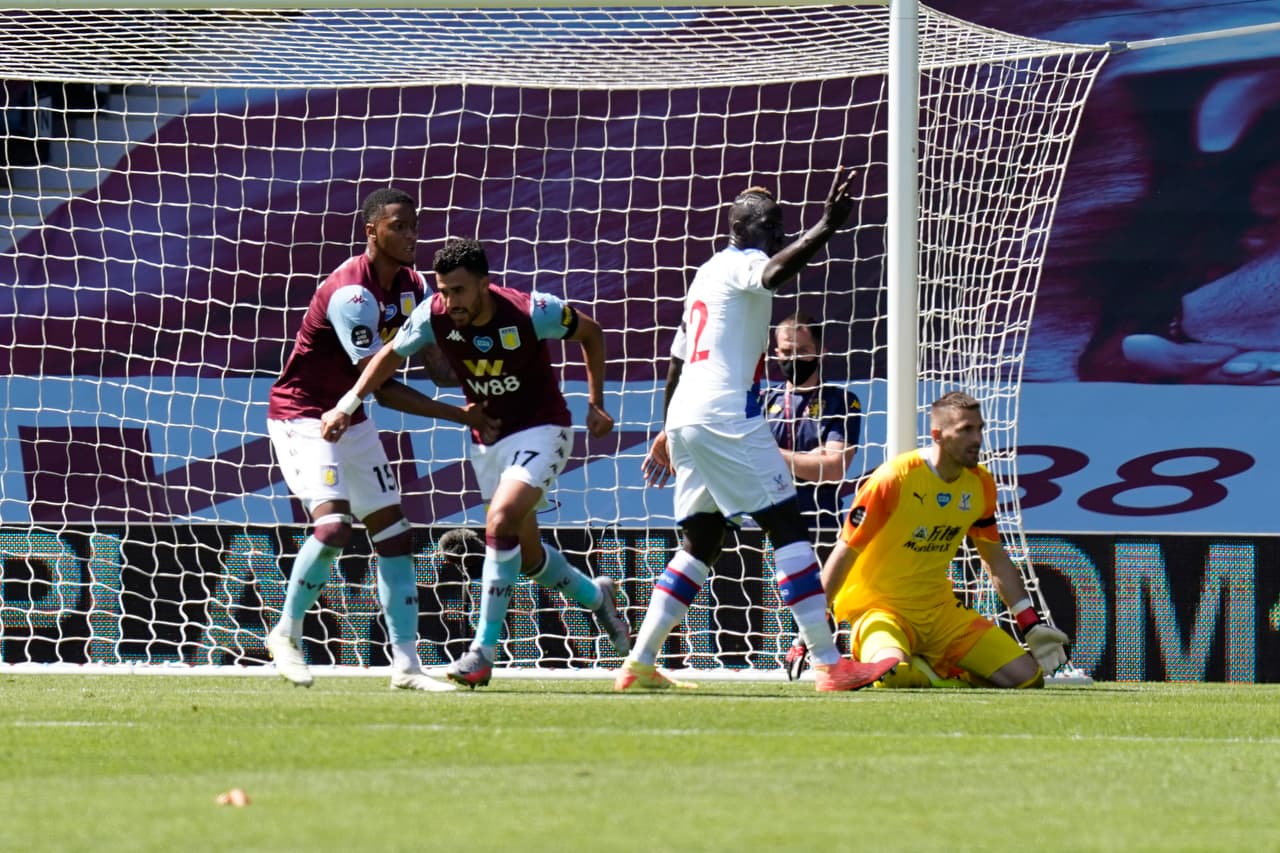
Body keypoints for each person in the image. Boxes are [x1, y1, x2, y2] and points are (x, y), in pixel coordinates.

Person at [618, 168, 894, 692]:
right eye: (771, 225)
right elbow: (771, 276)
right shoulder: (745, 263)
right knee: (787, 527)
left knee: (701, 540)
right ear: (741, 229)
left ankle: (640, 662)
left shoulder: (704, 275)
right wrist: (826, 229)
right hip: (725, 414)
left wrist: (667, 426)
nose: (779, 234)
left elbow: (677, 361)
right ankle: (830, 664)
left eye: (783, 225)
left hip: (690, 416)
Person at [319, 237, 631, 689]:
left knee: (500, 519)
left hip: (544, 429)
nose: (450, 301)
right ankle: (595, 595)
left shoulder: (531, 310)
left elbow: (591, 332)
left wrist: (596, 402)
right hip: (489, 438)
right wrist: (348, 404)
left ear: (484, 284)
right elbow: (386, 357)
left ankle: (482, 653)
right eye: (444, 290)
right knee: (526, 557)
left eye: (460, 291)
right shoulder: (433, 314)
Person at [265, 188, 496, 692]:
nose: (412, 235)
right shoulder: (353, 295)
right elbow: (382, 386)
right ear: (373, 231)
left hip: (349, 416)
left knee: (393, 534)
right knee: (332, 529)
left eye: (414, 225)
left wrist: (488, 371)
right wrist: (461, 415)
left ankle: (407, 667)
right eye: (400, 226)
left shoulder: (413, 285)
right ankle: (285, 632)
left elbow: (436, 365)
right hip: (305, 417)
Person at [821, 391, 1071, 688]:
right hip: (881, 611)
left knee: (1028, 679)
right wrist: (815, 623)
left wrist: (1028, 622)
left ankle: (936, 673)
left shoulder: (980, 482)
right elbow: (845, 551)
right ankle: (923, 670)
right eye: (965, 430)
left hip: (940, 613)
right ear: (937, 435)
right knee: (893, 675)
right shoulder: (894, 479)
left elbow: (994, 558)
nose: (977, 438)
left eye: (979, 428)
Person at [760, 312, 863, 679]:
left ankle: (819, 658)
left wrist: (769, 455)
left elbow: (833, 467)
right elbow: (742, 460)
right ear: (774, 352)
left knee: (821, 604)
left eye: (802, 350)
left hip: (820, 525)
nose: (793, 359)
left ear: (819, 350)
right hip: (765, 522)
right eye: (786, 351)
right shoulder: (760, 401)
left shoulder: (841, 401)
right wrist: (807, 459)